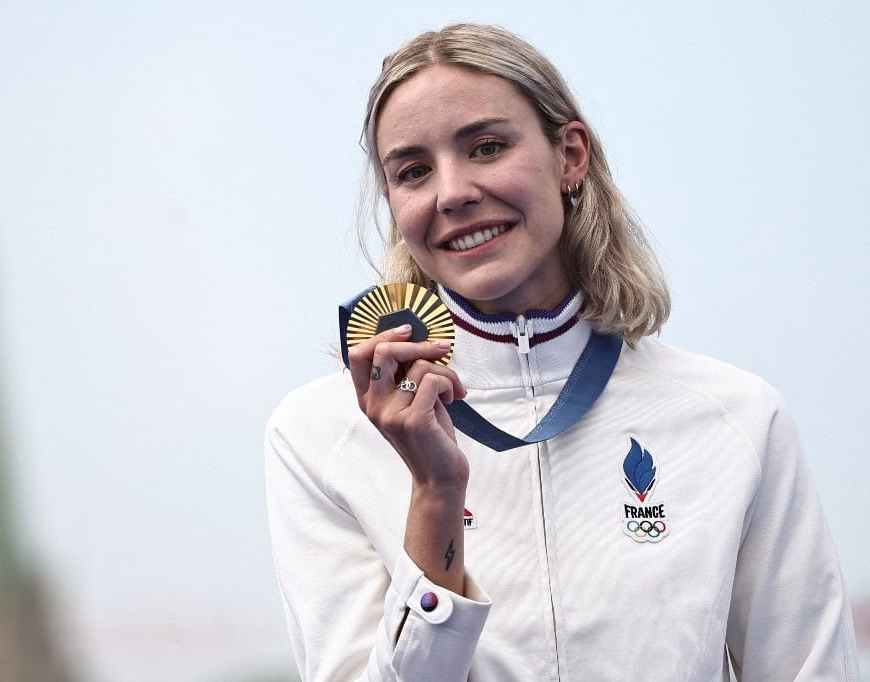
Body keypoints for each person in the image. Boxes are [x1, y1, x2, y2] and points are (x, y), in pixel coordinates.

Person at [264, 23, 859, 681]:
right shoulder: (320, 434)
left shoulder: (738, 418)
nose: (453, 192)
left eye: (487, 147)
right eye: (412, 171)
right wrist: (435, 492)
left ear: (571, 155)